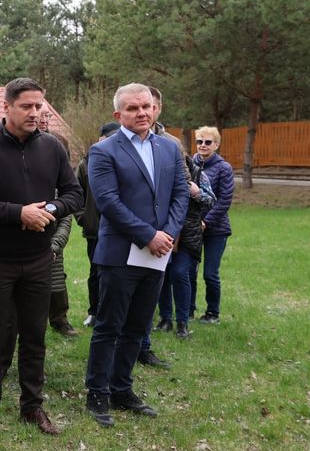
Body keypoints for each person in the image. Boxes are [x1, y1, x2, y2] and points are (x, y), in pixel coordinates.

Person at [0, 78, 83, 438]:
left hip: (39, 256)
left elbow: (75, 195)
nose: (36, 112)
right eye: (27, 106)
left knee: (35, 334)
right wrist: (19, 214)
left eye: (39, 105)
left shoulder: (53, 148)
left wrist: (51, 208)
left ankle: (32, 406)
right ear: (7, 107)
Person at [84, 83, 188, 427]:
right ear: (118, 115)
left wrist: (168, 235)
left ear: (155, 109)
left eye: (146, 106)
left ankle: (122, 388)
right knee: (109, 326)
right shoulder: (104, 151)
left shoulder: (169, 149)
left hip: (158, 254)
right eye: (133, 108)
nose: (142, 112)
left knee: (138, 326)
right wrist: (148, 235)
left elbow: (179, 195)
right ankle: (97, 392)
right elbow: (108, 202)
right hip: (120, 253)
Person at [159, 156, 215, 339]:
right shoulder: (162, 173)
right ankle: (165, 319)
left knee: (179, 273)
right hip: (165, 231)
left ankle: (182, 323)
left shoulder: (198, 174)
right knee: (163, 275)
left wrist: (197, 193)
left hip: (189, 234)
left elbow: (211, 200)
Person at [37, 104, 78, 337]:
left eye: (46, 114)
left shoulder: (59, 141)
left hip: (57, 205)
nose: (43, 118)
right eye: (40, 114)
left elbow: (69, 184)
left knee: (57, 273)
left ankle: (60, 318)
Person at [75, 122, 121, 327]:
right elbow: (76, 194)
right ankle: (94, 312)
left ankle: (115, 313)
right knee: (95, 273)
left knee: (118, 274)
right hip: (94, 230)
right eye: (108, 137)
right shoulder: (85, 164)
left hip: (120, 229)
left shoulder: (124, 161)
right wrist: (83, 218)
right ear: (100, 138)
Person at [192, 126, 234, 324]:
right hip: (192, 228)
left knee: (210, 273)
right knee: (188, 271)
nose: (203, 145)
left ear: (216, 145)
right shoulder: (191, 164)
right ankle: (188, 309)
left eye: (207, 142)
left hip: (216, 229)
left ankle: (212, 313)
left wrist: (206, 222)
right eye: (199, 141)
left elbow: (224, 200)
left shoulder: (223, 168)